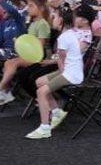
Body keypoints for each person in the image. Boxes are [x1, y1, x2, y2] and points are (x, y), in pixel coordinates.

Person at [25, 7, 92, 140]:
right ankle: (56, 112)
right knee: (39, 81)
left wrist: (57, 67)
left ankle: (45, 128)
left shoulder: (73, 35)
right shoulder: (71, 33)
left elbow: (65, 57)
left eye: (55, 17)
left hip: (72, 72)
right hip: (68, 68)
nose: (52, 19)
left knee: (41, 92)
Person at [0, 0, 52, 106]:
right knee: (8, 62)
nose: (28, 9)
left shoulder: (42, 24)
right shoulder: (33, 23)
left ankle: (0, 89)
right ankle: (5, 92)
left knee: (13, 62)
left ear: (41, 9)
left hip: (38, 57)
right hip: (30, 55)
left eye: (31, 6)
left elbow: (39, 46)